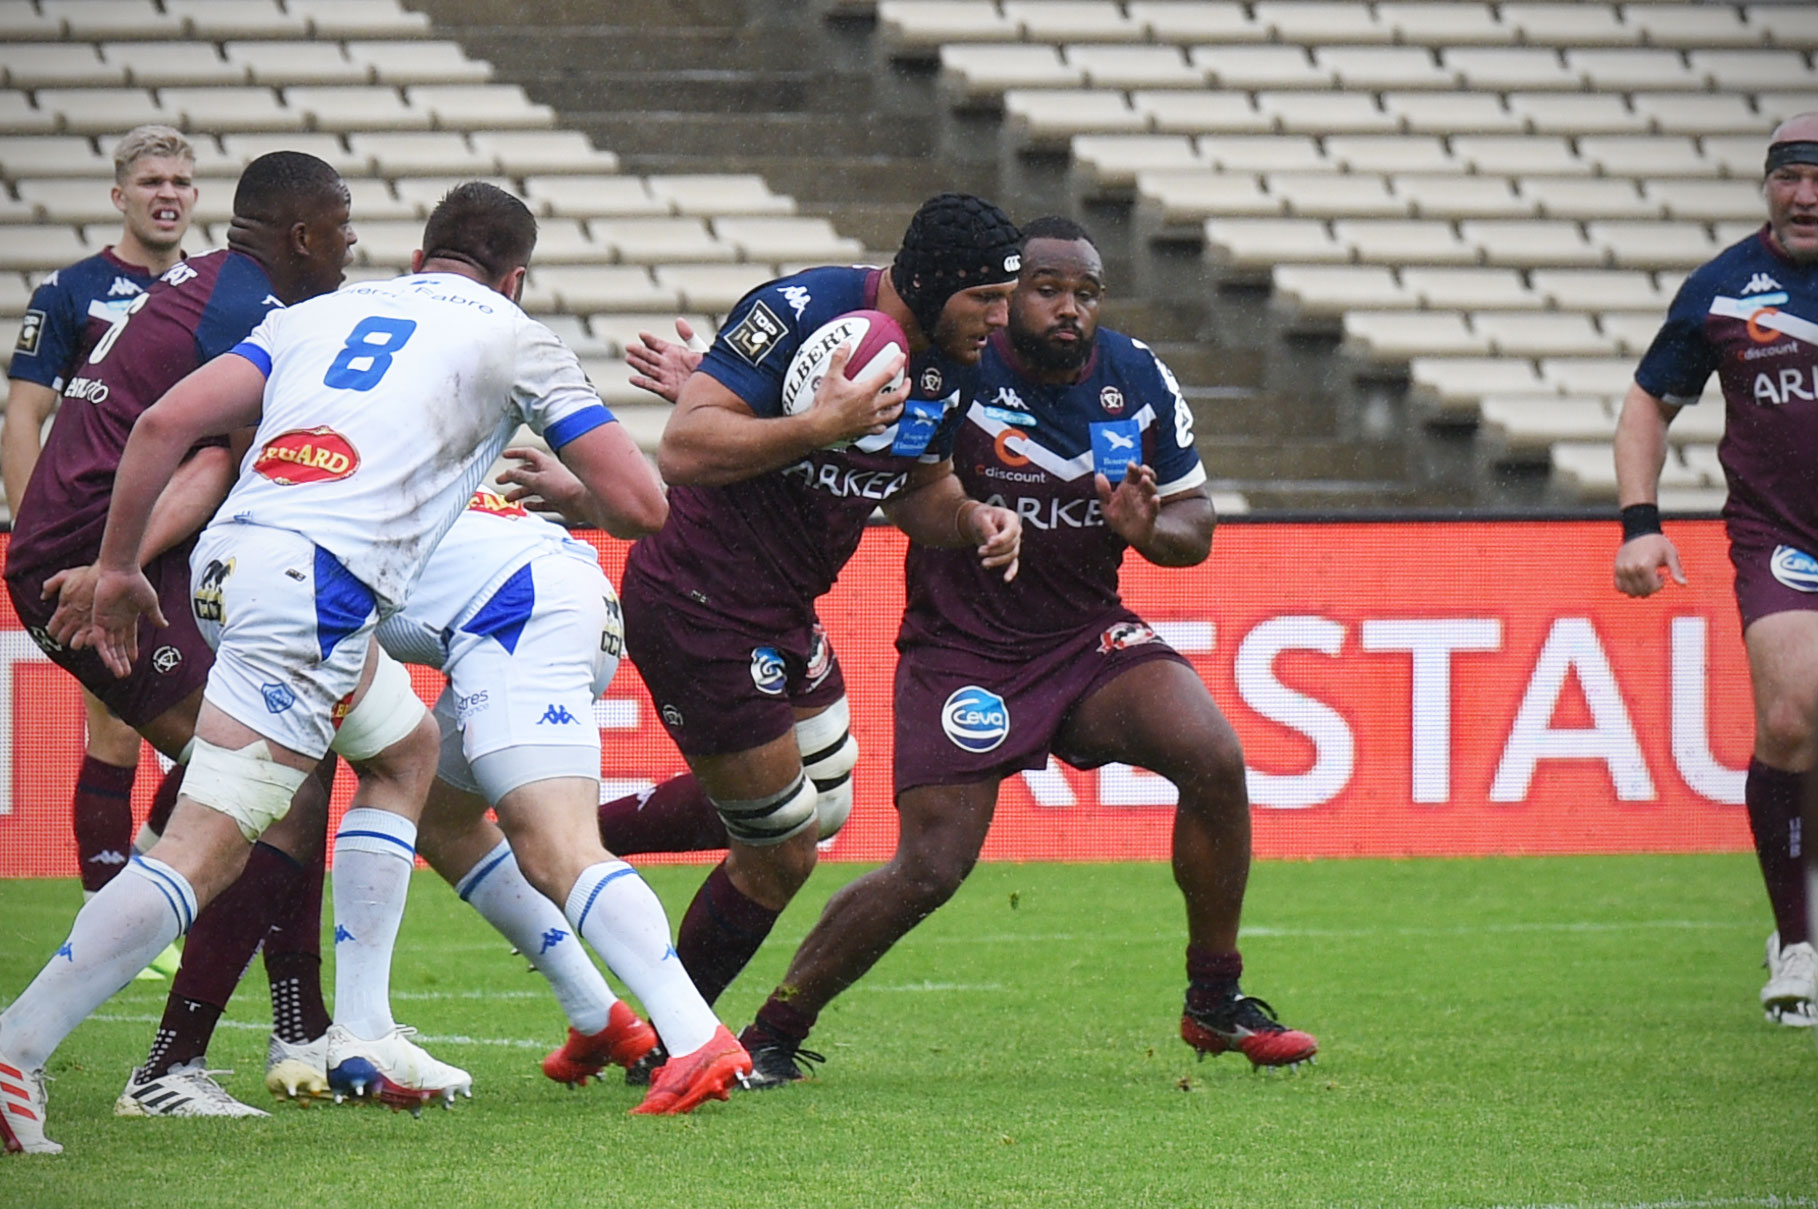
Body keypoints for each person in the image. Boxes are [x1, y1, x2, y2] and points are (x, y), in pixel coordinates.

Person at [0, 181, 684, 1156]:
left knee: (406, 747)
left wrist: (119, 566)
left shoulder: (325, 310)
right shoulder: (510, 334)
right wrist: (585, 483)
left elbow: (160, 428)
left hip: (232, 565)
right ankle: (23, 1049)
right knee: (208, 844)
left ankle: (361, 1028)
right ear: (517, 276)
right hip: (312, 590)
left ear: (416, 259)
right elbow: (642, 505)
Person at [605, 217, 1319, 1083]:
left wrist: (1149, 528)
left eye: (1084, 293)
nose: (1065, 310)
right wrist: (742, 394)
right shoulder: (954, 361)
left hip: (1084, 632)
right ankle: (769, 1024)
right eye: (1039, 291)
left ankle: (1214, 997)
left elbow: (1192, 523)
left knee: (1212, 754)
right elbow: (875, 467)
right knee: (925, 866)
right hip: (965, 647)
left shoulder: (1132, 377)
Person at [517, 193, 1023, 1082]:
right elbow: (685, 447)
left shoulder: (953, 364)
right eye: (986, 296)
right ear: (935, 282)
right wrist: (820, 425)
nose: (1001, 317)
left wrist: (975, 517)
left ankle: (564, 839)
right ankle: (679, 1040)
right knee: (782, 848)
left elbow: (917, 490)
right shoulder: (802, 308)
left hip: (784, 605)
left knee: (819, 807)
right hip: (698, 596)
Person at [117, 485, 743, 1117]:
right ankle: (595, 1015)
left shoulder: (278, 535)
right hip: (552, 591)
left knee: (559, 847)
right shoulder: (347, 481)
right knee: (438, 812)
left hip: (523, 614)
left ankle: (694, 1037)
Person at [1614, 113, 1818, 1029]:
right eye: (1789, 176)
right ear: (1765, 183)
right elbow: (1648, 407)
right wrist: (1641, 524)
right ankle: (1797, 941)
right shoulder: (1725, 289)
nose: (1806, 195)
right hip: (1782, 535)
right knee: (1789, 713)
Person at [3, 126, 199, 964]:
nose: (169, 193)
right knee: (117, 728)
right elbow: (23, 412)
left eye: (183, 182)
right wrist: (40, 533)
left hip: (189, 527)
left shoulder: (209, 292)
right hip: (94, 532)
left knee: (224, 722)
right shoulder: (73, 290)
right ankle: (107, 912)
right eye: (152, 179)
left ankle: (144, 877)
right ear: (119, 196)